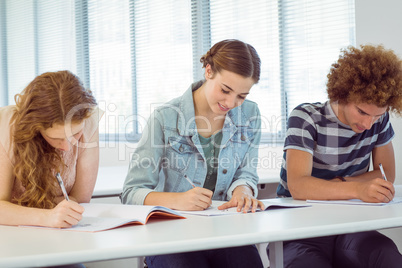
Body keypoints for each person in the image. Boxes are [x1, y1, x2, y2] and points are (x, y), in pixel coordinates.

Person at [122, 39, 264, 267]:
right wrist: (177, 200)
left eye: (241, 96)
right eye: (225, 90)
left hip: (224, 231)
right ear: (208, 71)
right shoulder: (164, 118)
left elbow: (246, 173)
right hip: (170, 234)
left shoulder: (250, 114)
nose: (231, 102)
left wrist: (242, 190)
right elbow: (131, 193)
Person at [271, 44, 402, 267]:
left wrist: (340, 182)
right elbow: (299, 186)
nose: (368, 123)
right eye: (361, 111)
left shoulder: (378, 121)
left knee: (386, 254)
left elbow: (385, 174)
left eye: (377, 115)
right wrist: (358, 188)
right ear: (342, 94)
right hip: (302, 228)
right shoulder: (306, 117)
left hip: (351, 225)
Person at [0, 70, 102, 230]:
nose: (67, 146)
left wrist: (57, 214)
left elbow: (80, 200)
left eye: (75, 134)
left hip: (60, 233)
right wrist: (47, 216)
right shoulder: (7, 125)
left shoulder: (88, 122)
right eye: (56, 138)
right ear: (35, 128)